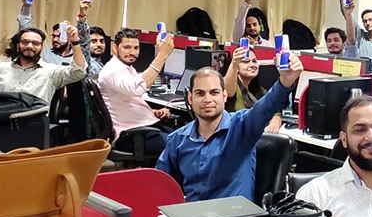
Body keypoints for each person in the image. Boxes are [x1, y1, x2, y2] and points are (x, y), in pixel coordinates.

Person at [156, 51, 303, 202]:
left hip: (234, 214)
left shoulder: (242, 126)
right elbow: (160, 184)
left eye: (214, 93)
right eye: (200, 93)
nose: (208, 99)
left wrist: (285, 81)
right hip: (192, 213)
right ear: (190, 98)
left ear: (224, 96)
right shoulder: (177, 140)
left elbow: (266, 107)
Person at [98, 28, 177, 155]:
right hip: (131, 135)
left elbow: (128, 101)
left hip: (143, 126)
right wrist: (162, 56)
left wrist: (152, 112)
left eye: (136, 48)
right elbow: (137, 88)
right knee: (183, 146)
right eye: (127, 47)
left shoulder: (125, 68)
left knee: (185, 136)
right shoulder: (113, 71)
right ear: (115, 48)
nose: (132, 52)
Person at [0, 24, 86, 103]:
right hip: (3, 117)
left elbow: (78, 72)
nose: (29, 46)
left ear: (42, 48)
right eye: (25, 42)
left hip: (34, 118)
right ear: (18, 46)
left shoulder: (51, 71)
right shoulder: (1, 68)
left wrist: (75, 42)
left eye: (35, 43)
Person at [223, 45, 282, 133]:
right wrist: (234, 64)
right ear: (237, 68)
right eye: (246, 61)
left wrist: (276, 118)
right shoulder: (233, 87)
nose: (252, 65)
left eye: (254, 61)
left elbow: (273, 103)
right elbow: (226, 90)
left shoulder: (256, 89)